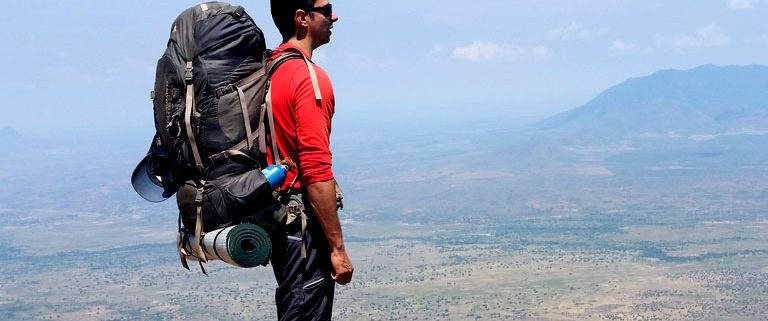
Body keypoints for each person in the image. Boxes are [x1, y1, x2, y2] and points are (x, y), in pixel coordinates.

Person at [266, 1, 353, 320]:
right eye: (326, 9)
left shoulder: (267, 68)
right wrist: (337, 248)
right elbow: (316, 170)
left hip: (273, 217)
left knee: (293, 302)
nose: (334, 16)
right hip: (299, 227)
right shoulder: (308, 78)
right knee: (304, 308)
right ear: (301, 18)